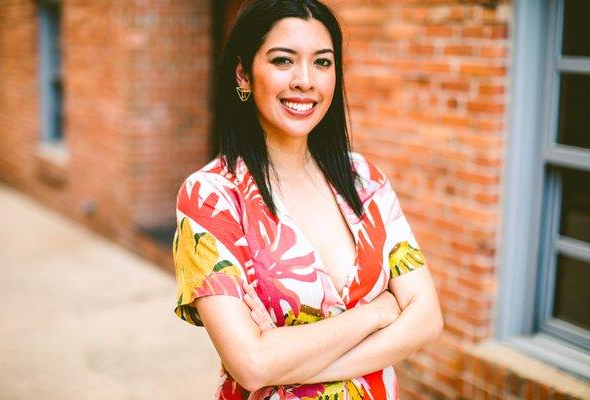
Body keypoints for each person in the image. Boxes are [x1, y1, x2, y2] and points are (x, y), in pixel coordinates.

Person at [172, 0, 443, 398]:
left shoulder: (364, 180)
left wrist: (290, 360)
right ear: (243, 74)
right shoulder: (212, 197)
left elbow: (427, 319)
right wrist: (380, 312)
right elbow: (250, 364)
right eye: (283, 61)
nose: (305, 80)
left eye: (322, 62)